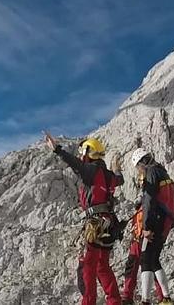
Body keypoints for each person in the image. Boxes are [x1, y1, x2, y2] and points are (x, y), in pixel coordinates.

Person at [45, 131, 123, 305]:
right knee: (102, 265)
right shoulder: (108, 174)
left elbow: (74, 163)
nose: (81, 156)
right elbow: (120, 179)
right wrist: (117, 169)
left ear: (88, 152)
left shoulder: (90, 170)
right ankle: (115, 301)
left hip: (95, 224)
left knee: (87, 266)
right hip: (109, 224)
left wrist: (57, 149)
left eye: (83, 152)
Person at [131, 148, 174, 305]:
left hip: (154, 221)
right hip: (165, 220)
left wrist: (145, 226)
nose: (138, 171)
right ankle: (166, 298)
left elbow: (149, 200)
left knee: (145, 259)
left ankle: (146, 300)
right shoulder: (161, 171)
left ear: (141, 162)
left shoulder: (150, 173)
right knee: (154, 259)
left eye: (138, 166)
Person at [121, 201, 163, 305]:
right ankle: (162, 296)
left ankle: (128, 296)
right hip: (139, 240)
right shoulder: (145, 208)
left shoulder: (148, 207)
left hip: (143, 240)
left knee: (148, 266)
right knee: (150, 266)